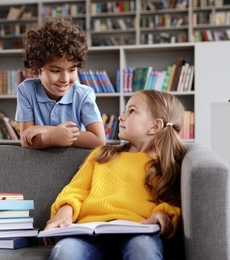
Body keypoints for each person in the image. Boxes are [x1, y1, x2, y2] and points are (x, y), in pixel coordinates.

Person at [43, 90, 187, 260]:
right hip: (90, 233)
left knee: (143, 248)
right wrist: (64, 212)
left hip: (138, 233)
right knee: (65, 250)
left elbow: (171, 203)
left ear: (155, 126)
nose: (121, 116)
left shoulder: (165, 165)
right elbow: (75, 191)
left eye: (131, 111)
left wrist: (163, 215)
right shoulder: (102, 155)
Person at [15, 17, 106, 149]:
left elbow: (98, 140)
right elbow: (26, 140)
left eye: (72, 70)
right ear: (36, 67)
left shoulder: (84, 94)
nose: (65, 79)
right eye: (56, 70)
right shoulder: (26, 90)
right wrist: (50, 138)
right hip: (39, 164)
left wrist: (48, 130)